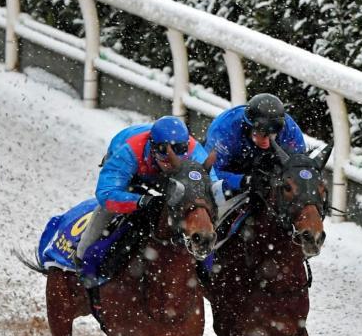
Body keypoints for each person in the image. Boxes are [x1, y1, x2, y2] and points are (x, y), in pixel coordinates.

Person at [74, 115, 212, 278]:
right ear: (152, 147)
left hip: (167, 177)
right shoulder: (129, 150)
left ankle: (208, 270)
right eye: (163, 150)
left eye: (179, 150)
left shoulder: (196, 153)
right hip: (135, 173)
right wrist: (140, 201)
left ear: (186, 148)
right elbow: (106, 193)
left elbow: (212, 189)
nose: (170, 158)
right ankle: (81, 256)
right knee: (105, 211)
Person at [204, 93, 306, 197]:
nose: (266, 140)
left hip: (271, 170)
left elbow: (301, 165)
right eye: (262, 134)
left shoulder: (289, 128)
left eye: (272, 135)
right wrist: (242, 181)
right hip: (233, 170)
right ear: (249, 127)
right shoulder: (224, 131)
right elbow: (209, 173)